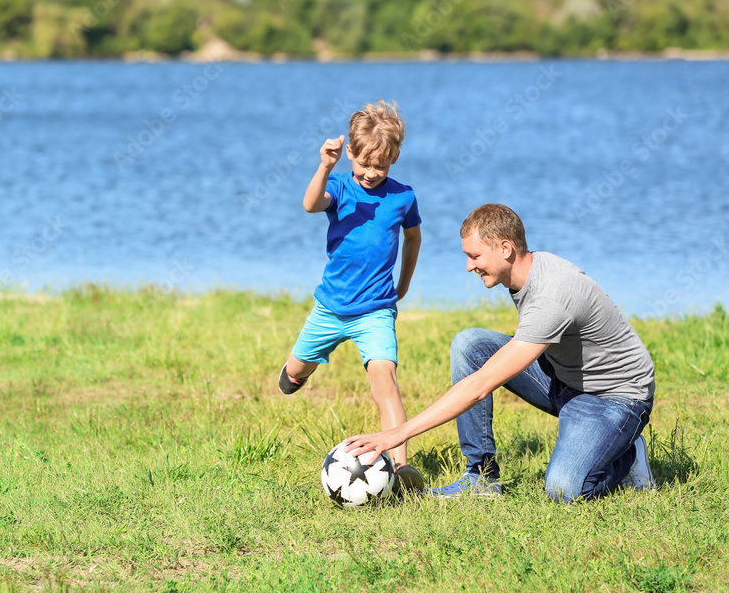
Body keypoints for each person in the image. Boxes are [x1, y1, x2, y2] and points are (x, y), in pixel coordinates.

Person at [344, 203, 656, 503]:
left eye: (474, 256)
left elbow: (479, 387)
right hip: (566, 379)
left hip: (615, 398)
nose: (469, 266)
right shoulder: (526, 270)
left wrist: (395, 435)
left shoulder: (552, 295)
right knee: (470, 345)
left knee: (564, 489)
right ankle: (481, 477)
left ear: (505, 249)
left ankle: (625, 456)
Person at [279, 100, 422, 471]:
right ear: (351, 155)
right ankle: (298, 371)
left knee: (385, 382)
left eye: (382, 165)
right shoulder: (340, 186)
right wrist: (325, 166)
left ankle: (401, 468)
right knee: (294, 373)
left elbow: (413, 240)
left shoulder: (402, 197)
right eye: (364, 163)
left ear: (394, 159)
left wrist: (402, 285)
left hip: (375, 310)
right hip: (330, 308)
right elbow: (311, 205)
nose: (372, 172)